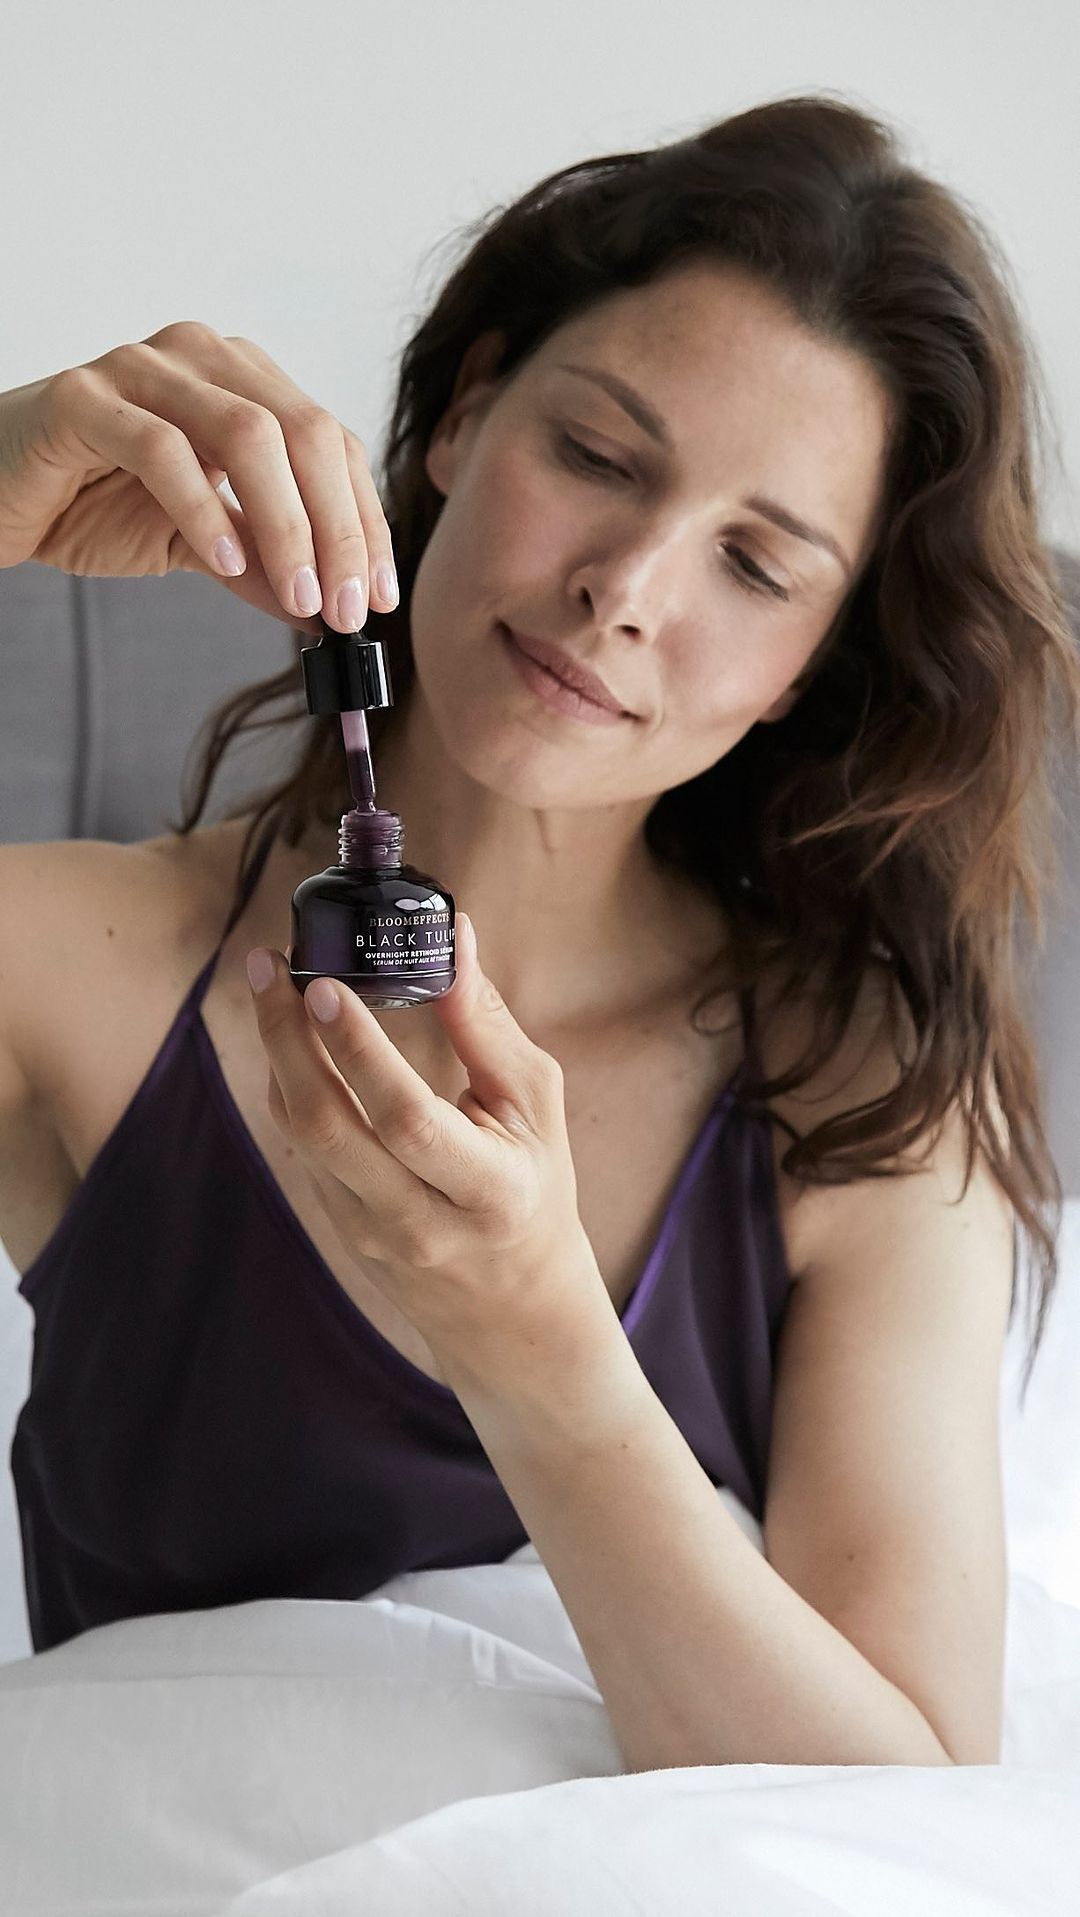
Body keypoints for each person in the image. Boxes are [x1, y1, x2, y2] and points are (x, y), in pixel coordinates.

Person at [1, 93, 1077, 1770]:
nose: (626, 587)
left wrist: (543, 1350)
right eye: (597, 457)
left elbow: (900, 1806)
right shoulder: (70, 962)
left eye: (755, 564)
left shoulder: (860, 1088)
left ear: (813, 664)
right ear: (468, 410)